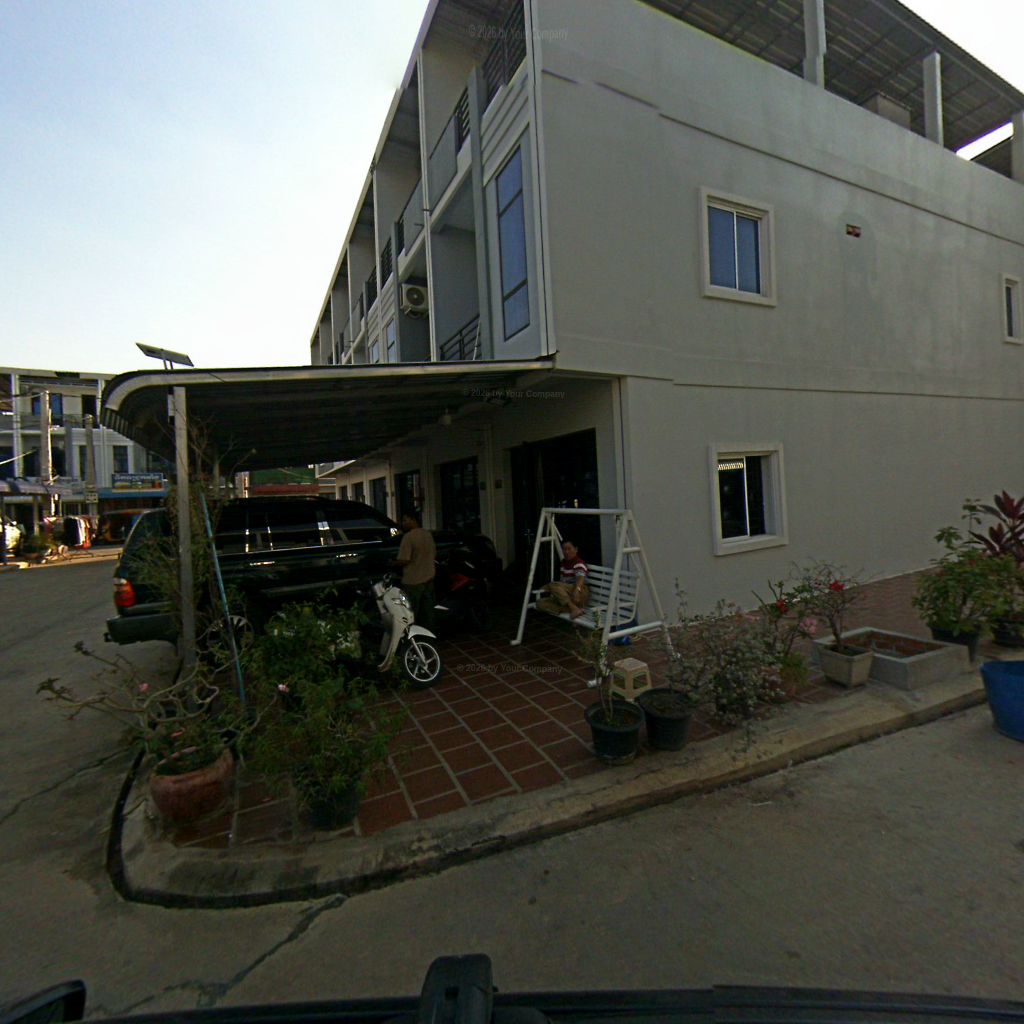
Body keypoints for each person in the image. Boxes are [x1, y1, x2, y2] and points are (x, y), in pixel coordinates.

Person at [393, 509, 436, 632]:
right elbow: (434, 554)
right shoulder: (427, 535)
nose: (403, 523)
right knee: (427, 612)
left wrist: (392, 563)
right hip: (428, 578)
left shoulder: (408, 537)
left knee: (410, 613)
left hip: (413, 580)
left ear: (413, 520)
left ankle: (411, 637)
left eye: (405, 520)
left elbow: (404, 560)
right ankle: (428, 636)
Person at [536, 539, 590, 619]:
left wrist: (577, 590)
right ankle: (575, 609)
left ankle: (573, 608)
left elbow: (580, 577)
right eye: (564, 549)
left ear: (576, 549)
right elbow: (562, 583)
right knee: (540, 603)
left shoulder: (578, 562)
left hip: (580, 592)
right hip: (568, 595)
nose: (566, 552)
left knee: (553, 584)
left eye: (569, 549)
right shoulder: (564, 563)